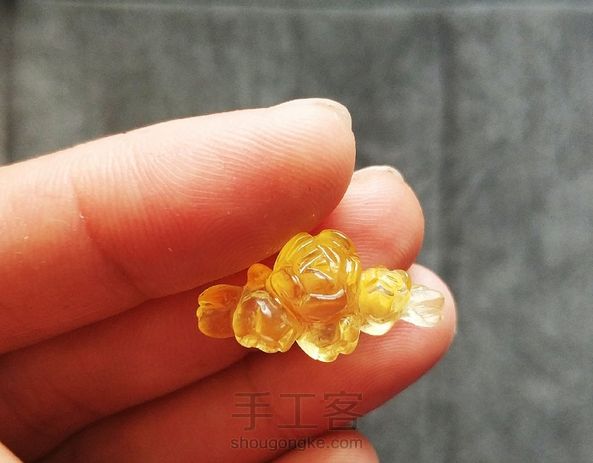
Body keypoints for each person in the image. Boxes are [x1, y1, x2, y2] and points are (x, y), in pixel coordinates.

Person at [0, 98, 456, 462]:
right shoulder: (317, 293)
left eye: (384, 297)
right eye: (385, 291)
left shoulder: (335, 323)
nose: (379, 292)